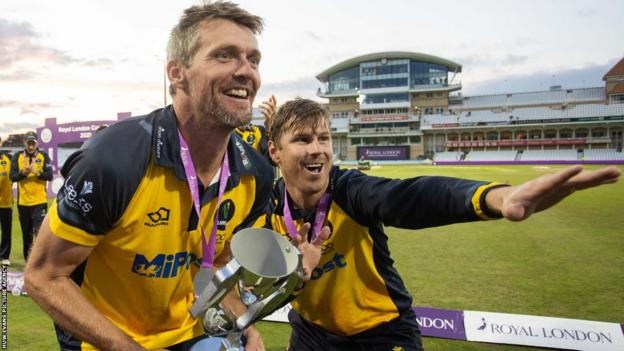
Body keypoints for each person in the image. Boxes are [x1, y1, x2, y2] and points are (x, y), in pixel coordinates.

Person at [23, 3, 323, 351]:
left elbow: (218, 262)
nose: (246, 71)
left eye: (253, 60)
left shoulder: (255, 174)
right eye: (225, 56)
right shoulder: (114, 161)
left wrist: (239, 323)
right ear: (177, 73)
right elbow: (43, 276)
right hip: (109, 341)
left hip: (190, 334)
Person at [262, 98, 621, 351]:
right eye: (303, 139)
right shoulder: (265, 208)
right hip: (312, 335)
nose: (318, 149)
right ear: (275, 152)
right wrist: (294, 277)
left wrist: (496, 198)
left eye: (324, 138)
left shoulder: (350, 189)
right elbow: (255, 294)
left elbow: (411, 198)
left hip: (383, 331)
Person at [9, 131, 52, 263]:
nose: (31, 146)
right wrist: (24, 172)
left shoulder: (44, 155)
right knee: (26, 237)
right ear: (24, 143)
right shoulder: (17, 156)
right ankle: (28, 264)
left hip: (39, 202)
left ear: (37, 143)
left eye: (33, 143)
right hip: (23, 204)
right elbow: (12, 177)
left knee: (39, 236)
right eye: (29, 143)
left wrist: (36, 172)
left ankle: (40, 264)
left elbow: (49, 176)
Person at [0, 146, 13, 266]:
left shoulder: (8, 157)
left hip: (6, 203)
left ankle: (4, 256)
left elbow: (14, 175)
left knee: (6, 230)